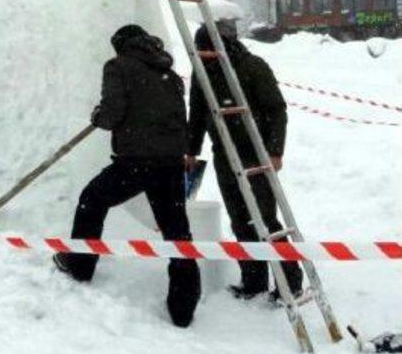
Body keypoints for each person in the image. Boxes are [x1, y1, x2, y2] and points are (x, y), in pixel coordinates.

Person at [53, 25, 202, 328]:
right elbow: (175, 117)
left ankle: (80, 265)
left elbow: (111, 115)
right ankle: (183, 307)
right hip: (170, 163)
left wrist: (98, 115)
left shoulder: (118, 66)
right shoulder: (169, 74)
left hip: (136, 160)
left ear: (120, 46)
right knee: (177, 232)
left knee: (92, 200)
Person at [185, 21, 304, 301]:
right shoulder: (201, 72)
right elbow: (198, 112)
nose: (202, 54)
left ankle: (290, 283)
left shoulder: (253, 66)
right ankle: (253, 281)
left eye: (206, 48)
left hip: (255, 154)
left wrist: (275, 151)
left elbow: (276, 111)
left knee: (265, 220)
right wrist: (191, 149)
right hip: (224, 154)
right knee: (239, 219)